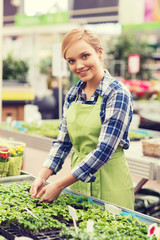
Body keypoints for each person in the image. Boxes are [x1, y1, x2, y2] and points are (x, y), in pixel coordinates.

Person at [30, 28, 134, 210]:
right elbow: (62, 143)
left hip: (111, 186)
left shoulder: (117, 93)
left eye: (85, 56)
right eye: (71, 61)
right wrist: (42, 176)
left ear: (100, 53)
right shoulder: (73, 94)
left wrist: (60, 185)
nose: (78, 65)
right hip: (78, 184)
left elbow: (104, 151)